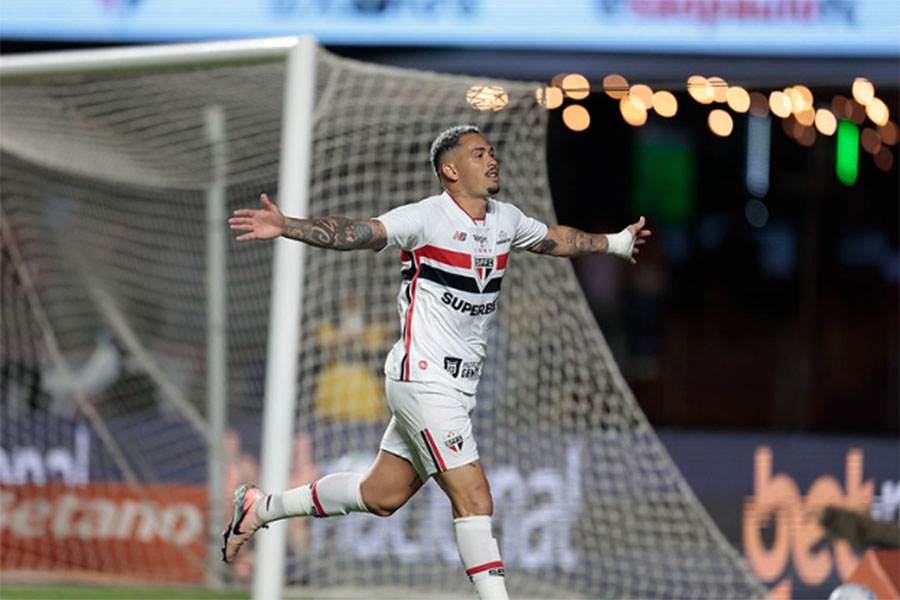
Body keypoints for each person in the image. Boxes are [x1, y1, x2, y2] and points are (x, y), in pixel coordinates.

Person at [223, 124, 652, 599]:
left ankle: (260, 507)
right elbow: (360, 233)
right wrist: (288, 226)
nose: (491, 161)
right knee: (475, 497)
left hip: (456, 387)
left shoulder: (505, 220)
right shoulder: (425, 218)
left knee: (381, 496)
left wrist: (614, 242)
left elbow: (553, 238)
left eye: (491, 152)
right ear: (450, 170)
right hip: (423, 377)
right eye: (477, 154)